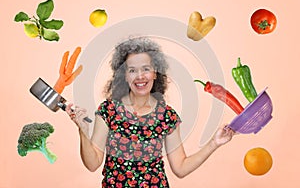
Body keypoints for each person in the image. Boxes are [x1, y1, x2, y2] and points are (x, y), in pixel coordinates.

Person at [66, 36, 235, 187]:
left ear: (155, 73)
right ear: (124, 75)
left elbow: (180, 168)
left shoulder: (167, 116)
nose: (140, 76)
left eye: (146, 69)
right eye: (132, 70)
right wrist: (82, 131)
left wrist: (214, 143)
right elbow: (92, 163)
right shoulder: (108, 111)